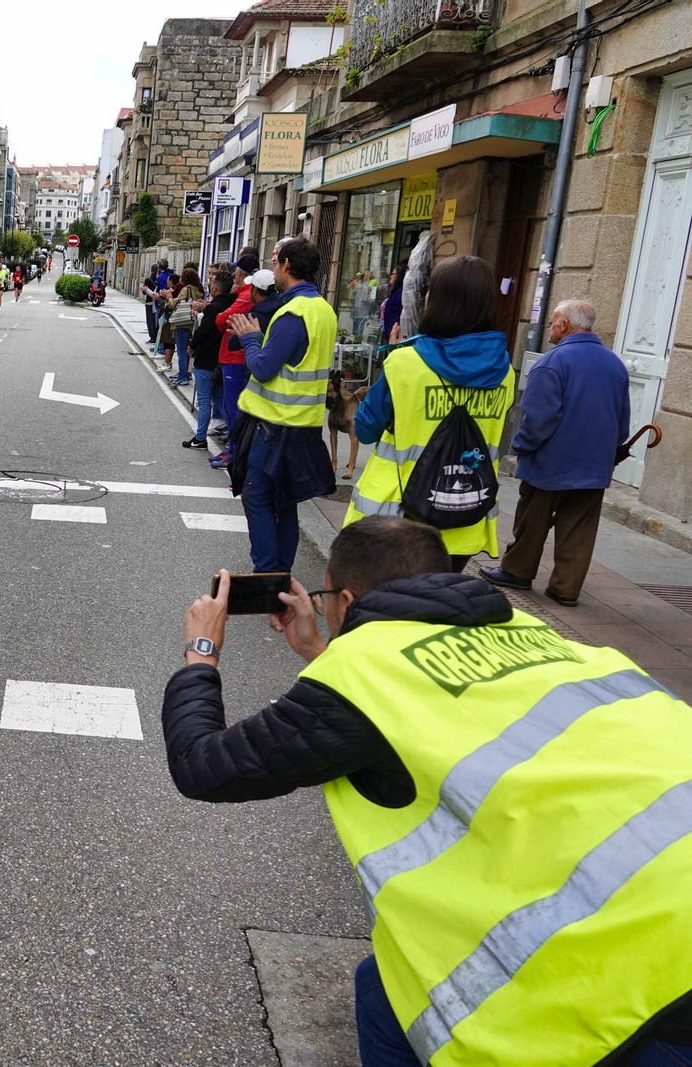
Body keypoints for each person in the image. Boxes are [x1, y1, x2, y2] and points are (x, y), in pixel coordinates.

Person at [164, 515, 692, 1067]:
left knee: (410, 1000)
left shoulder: (362, 675)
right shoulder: (548, 641)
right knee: (384, 985)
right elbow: (432, 701)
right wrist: (317, 648)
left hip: (655, 975)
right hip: (661, 882)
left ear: (345, 598)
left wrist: (202, 650)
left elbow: (203, 765)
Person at [346, 256, 514, 573]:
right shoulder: (504, 371)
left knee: (391, 614)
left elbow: (365, 429)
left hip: (401, 516)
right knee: (435, 613)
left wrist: (391, 364)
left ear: (436, 301)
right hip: (465, 517)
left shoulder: (405, 362)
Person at [479, 299, 629, 607]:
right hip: (594, 465)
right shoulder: (614, 364)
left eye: (552, 322)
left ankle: (517, 571)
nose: (550, 328)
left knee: (533, 519)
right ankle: (566, 588)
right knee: (579, 528)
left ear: (564, 325)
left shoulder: (552, 362)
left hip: (550, 462)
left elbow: (537, 418)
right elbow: (622, 420)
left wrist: (521, 447)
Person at [225, 239, 337, 573]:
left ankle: (267, 574)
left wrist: (249, 338)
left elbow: (262, 367)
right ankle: (279, 574)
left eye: (275, 262)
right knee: (284, 501)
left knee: (256, 496)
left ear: (287, 265)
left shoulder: (293, 314)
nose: (272, 267)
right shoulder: (323, 310)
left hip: (275, 425)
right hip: (304, 422)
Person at [207, 249, 261, 470]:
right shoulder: (244, 294)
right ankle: (232, 450)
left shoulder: (247, 295)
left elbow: (221, 320)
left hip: (235, 358)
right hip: (233, 356)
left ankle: (235, 453)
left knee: (233, 408)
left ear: (240, 273)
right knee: (232, 407)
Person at [182, 269, 234, 450]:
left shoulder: (214, 308)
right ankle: (236, 435)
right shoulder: (232, 304)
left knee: (204, 401)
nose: (210, 286)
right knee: (220, 400)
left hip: (207, 359)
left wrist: (191, 345)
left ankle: (200, 438)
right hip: (222, 361)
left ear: (216, 287)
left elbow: (203, 331)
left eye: (212, 283)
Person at [167, 267, 203, 388]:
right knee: (188, 350)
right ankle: (186, 374)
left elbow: (174, 304)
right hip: (191, 323)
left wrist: (169, 297)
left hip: (182, 323)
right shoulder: (197, 290)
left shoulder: (185, 289)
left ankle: (183, 376)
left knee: (182, 352)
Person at [140, 263, 163, 347]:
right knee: (156, 321)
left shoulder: (148, 279)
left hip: (150, 302)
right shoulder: (161, 279)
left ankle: (152, 337)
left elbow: (144, 292)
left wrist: (145, 290)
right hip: (159, 302)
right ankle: (156, 337)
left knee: (150, 320)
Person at [381, 265, 404, 345]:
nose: (391, 276)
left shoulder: (399, 292)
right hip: (390, 330)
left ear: (398, 277)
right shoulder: (395, 291)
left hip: (395, 332)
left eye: (393, 274)